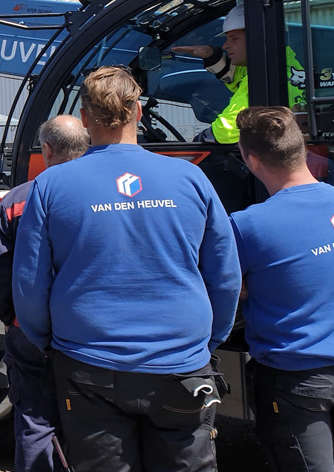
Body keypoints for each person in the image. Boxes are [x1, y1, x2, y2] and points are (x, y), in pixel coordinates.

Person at [12, 65, 242, 472]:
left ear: (84, 119)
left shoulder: (51, 186)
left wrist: (50, 342)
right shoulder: (191, 178)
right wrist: (209, 341)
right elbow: (224, 275)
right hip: (181, 362)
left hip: (88, 363)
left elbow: (30, 283)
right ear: (138, 112)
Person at [230, 106, 334, 472]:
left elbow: (228, 290)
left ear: (250, 159)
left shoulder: (246, 226)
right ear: (303, 149)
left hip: (296, 381)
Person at [0, 114, 88, 472]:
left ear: (45, 149)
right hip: (90, 332)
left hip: (29, 332)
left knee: (34, 421)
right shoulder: (101, 194)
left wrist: (14, 317)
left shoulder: (16, 201)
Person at [172, 2, 305, 143]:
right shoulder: (285, 65)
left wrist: (199, 141)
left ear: (258, 38)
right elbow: (236, 78)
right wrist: (211, 55)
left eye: (234, 38)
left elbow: (228, 130)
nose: (225, 45)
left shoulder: (263, 78)